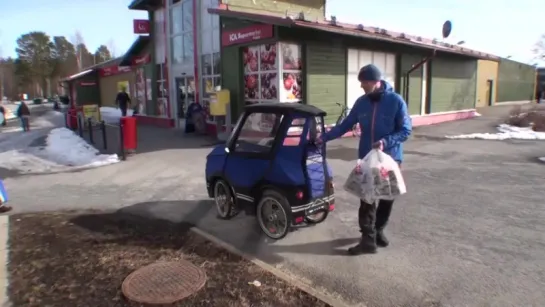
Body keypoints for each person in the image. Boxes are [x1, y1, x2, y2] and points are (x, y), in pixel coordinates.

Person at [318, 64, 412, 255]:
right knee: (367, 200)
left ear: (375, 82)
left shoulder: (396, 101)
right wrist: (324, 137)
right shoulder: (362, 102)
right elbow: (345, 125)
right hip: (367, 160)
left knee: (387, 197)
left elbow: (405, 130)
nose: (362, 86)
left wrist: (386, 141)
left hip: (390, 159)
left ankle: (378, 231)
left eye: (364, 83)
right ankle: (368, 239)